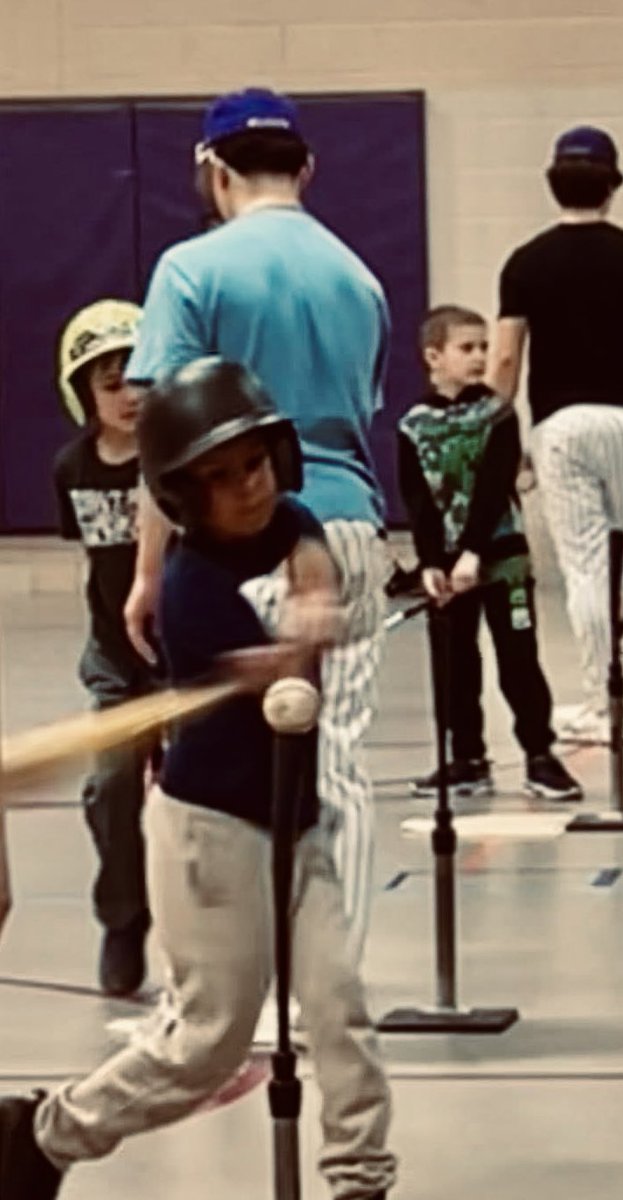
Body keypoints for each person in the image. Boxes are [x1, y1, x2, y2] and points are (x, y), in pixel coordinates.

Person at [0, 358, 396, 1200]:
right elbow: (284, 665)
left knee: (341, 1010)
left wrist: (318, 596)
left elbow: (307, 545)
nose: (246, 487)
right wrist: (294, 648)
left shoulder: (285, 514)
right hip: (210, 833)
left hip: (296, 818)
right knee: (208, 1046)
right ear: (183, 494)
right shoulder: (188, 587)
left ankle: (362, 1182)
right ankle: (44, 1133)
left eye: (251, 463)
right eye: (218, 478)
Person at [122, 87, 390, 962]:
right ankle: (330, 983)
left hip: (238, 537)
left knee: (217, 769)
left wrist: (149, 573)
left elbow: (164, 434)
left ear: (212, 169)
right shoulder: (361, 278)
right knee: (336, 755)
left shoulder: (192, 269)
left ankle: (227, 991)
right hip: (345, 525)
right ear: (305, 168)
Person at [489, 125, 623, 742]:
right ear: (613, 185)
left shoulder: (525, 262)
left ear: (553, 184)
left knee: (585, 569)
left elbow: (505, 363)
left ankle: (600, 701)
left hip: (561, 425)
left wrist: (499, 442)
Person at [398, 305, 583, 801]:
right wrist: (432, 563)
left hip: (501, 560)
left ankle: (540, 756)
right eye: (467, 348)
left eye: (484, 347)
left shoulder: (498, 414)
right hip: (448, 569)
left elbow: (494, 484)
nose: (480, 356)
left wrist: (474, 551)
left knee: (518, 659)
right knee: (455, 666)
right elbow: (417, 502)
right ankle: (467, 759)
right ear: (433, 356)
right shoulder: (412, 426)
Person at [53, 300, 158, 996]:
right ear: (85, 395)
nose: (125, 396)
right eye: (109, 383)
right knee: (111, 788)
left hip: (184, 659)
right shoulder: (73, 467)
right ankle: (123, 918)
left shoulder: (176, 461)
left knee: (204, 802)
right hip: (116, 665)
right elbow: (93, 562)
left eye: (136, 379)